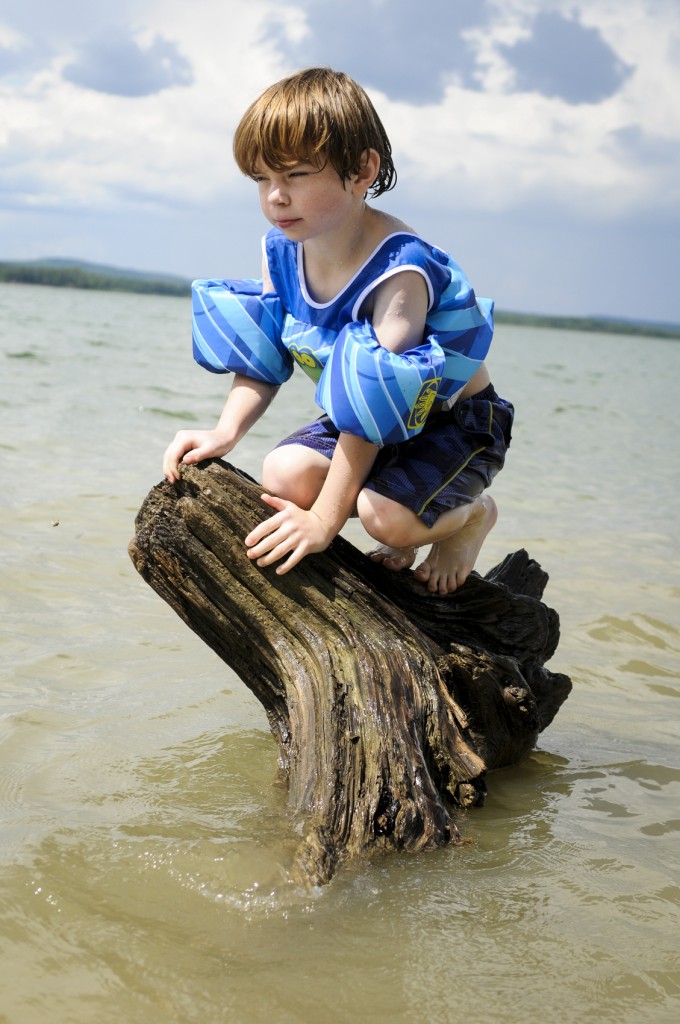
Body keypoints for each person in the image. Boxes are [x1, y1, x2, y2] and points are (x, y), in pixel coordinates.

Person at [163, 67, 514, 596]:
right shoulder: (281, 253)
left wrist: (325, 522)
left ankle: (469, 517)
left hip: (456, 423)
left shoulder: (400, 269)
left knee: (384, 519)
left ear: (361, 170)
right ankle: (407, 499)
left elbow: (377, 405)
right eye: (261, 179)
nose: (275, 197)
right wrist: (223, 433)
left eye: (297, 175)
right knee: (282, 474)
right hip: (373, 419)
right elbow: (262, 362)